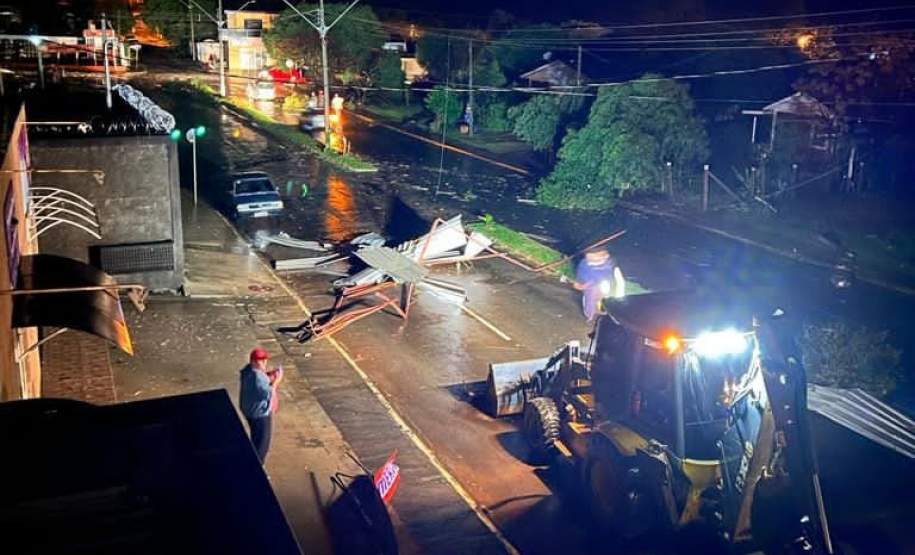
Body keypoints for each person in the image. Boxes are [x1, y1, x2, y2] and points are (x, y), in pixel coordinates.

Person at [239, 347, 283, 463]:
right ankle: (256, 468)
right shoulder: (257, 378)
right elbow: (268, 393)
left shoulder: (248, 371)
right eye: (260, 360)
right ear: (253, 361)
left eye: (265, 360)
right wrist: (276, 381)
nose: (264, 363)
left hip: (249, 410)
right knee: (262, 445)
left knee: (255, 437)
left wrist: (268, 376)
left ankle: (250, 460)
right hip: (260, 415)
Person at [567, 248, 625, 322]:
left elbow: (614, 274)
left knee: (608, 298)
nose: (602, 257)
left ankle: (607, 313)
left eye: (603, 255)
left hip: (605, 283)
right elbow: (580, 278)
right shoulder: (584, 265)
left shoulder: (609, 263)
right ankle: (590, 314)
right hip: (591, 285)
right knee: (591, 296)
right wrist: (580, 284)